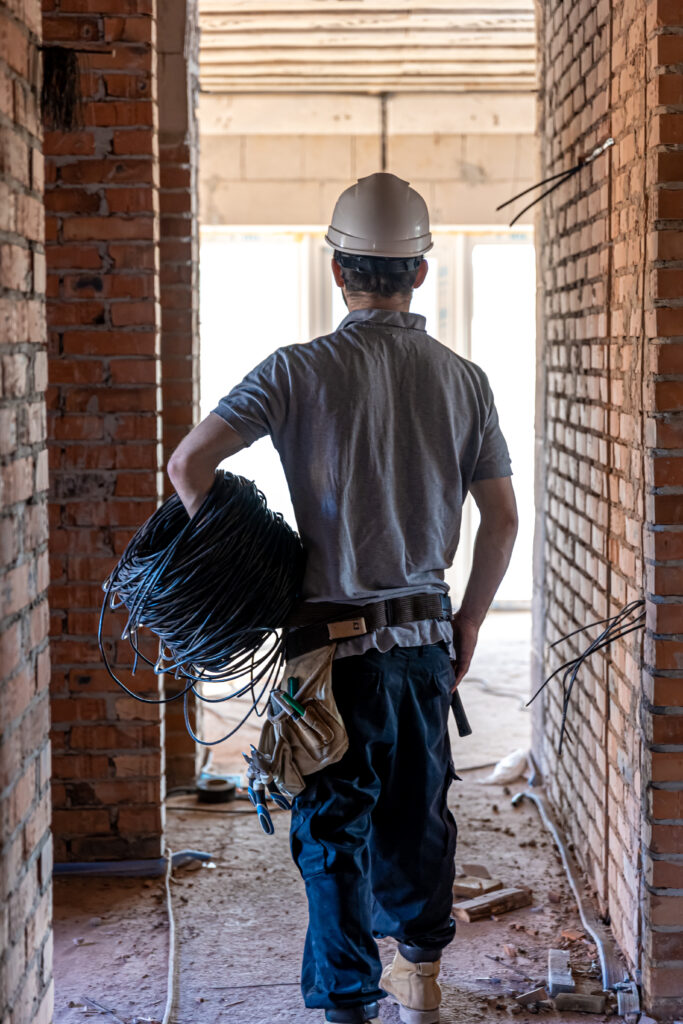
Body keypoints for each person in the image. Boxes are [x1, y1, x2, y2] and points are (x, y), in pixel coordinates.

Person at [168, 172, 518, 1024]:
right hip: (425, 639)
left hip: (326, 648)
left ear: (337, 271)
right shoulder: (464, 380)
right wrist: (468, 622)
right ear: (421, 273)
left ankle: (347, 1007)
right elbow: (501, 519)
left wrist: (237, 566)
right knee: (418, 813)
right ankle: (422, 982)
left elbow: (188, 465)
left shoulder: (295, 371)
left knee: (332, 829)